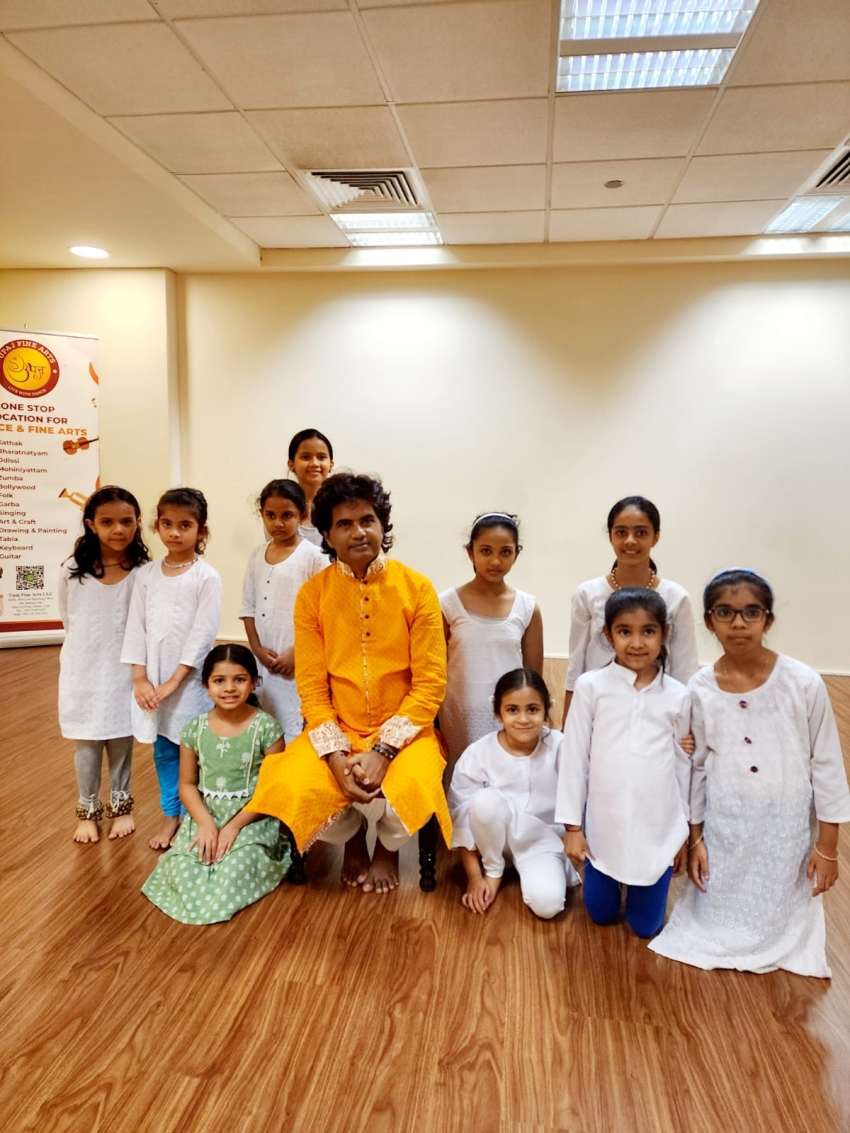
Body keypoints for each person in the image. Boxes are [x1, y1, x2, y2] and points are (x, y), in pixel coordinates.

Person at [249, 472, 451, 895]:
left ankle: (388, 849)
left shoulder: (417, 589)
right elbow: (312, 688)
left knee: (415, 784)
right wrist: (336, 757)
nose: (358, 532)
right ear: (326, 534)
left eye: (367, 520)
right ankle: (354, 837)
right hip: (336, 727)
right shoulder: (313, 595)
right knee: (292, 783)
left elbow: (430, 684)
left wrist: (384, 751)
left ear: (382, 525)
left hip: (406, 731)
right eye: (344, 523)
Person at [651, 569, 850, 976]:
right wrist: (696, 837)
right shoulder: (699, 689)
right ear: (709, 621)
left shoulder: (803, 683)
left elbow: (827, 764)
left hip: (786, 825)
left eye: (751, 612)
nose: (738, 623)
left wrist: (828, 847)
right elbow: (698, 767)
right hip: (726, 823)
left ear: (768, 620)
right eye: (725, 612)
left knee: (781, 911)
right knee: (708, 919)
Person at [557, 588, 692, 938]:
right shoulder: (591, 687)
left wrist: (683, 835)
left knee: (646, 927)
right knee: (600, 915)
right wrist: (573, 828)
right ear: (608, 634)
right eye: (624, 631)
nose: (636, 642)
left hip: (658, 827)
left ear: (664, 634)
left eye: (648, 631)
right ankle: (607, 879)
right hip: (603, 826)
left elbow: (685, 769)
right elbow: (573, 758)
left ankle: (648, 878)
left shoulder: (679, 696)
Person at [142, 644, 291, 924]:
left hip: (252, 817)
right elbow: (187, 785)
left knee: (235, 868)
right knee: (183, 867)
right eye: (219, 680)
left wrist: (234, 827)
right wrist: (206, 824)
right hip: (206, 814)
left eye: (239, 679)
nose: (229, 688)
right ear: (206, 685)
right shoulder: (194, 729)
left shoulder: (267, 729)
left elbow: (272, 789)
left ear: (254, 682)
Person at [121, 488, 223, 851]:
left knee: (193, 752)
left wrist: (174, 682)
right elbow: (135, 627)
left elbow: (202, 635)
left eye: (185, 525)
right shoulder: (146, 575)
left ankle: (199, 817)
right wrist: (140, 678)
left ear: (201, 530)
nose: (174, 532)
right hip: (152, 683)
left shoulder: (206, 577)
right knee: (164, 751)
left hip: (189, 684)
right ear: (156, 525)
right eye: (167, 524)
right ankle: (171, 816)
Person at [58, 486, 150, 843]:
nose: (118, 529)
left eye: (126, 521)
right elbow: (68, 618)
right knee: (87, 742)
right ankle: (88, 810)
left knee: (121, 738)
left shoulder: (144, 572)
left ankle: (122, 807)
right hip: (83, 667)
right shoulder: (72, 570)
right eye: (107, 522)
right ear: (91, 524)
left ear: (138, 522)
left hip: (125, 670)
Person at [448, 668, 578, 919]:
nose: (523, 719)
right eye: (512, 710)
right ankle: (495, 870)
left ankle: (533, 869)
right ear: (498, 713)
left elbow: (579, 794)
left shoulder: (560, 747)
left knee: (548, 905)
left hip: (541, 841)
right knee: (483, 801)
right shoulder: (479, 753)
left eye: (532, 709)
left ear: (546, 711)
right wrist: (475, 877)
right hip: (492, 842)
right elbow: (461, 815)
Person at [563, 496, 698, 717]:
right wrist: (568, 723)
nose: (630, 541)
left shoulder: (676, 597)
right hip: (599, 711)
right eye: (621, 532)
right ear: (610, 537)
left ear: (656, 537)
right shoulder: (587, 594)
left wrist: (685, 724)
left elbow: (685, 671)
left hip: (658, 714)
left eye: (641, 532)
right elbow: (576, 666)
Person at [439, 512, 543, 770]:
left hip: (508, 715)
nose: (495, 561)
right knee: (462, 778)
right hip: (458, 715)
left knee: (504, 776)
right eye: (486, 551)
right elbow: (435, 670)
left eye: (505, 552)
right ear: (470, 552)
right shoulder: (447, 604)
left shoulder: (527, 608)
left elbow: (532, 678)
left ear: (516, 554)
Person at [240, 479, 326, 741]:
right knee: (266, 732)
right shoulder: (256, 555)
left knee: (295, 734)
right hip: (264, 661)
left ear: (303, 514)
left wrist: (297, 653)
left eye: (287, 515)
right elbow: (248, 607)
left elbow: (324, 615)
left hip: (298, 662)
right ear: (262, 514)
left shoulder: (315, 557)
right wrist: (256, 649)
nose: (278, 523)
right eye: (271, 515)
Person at [286, 428, 334, 545]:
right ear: (291, 464)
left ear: (331, 465)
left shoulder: (340, 504)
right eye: (306, 457)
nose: (314, 464)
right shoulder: (280, 505)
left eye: (321, 457)